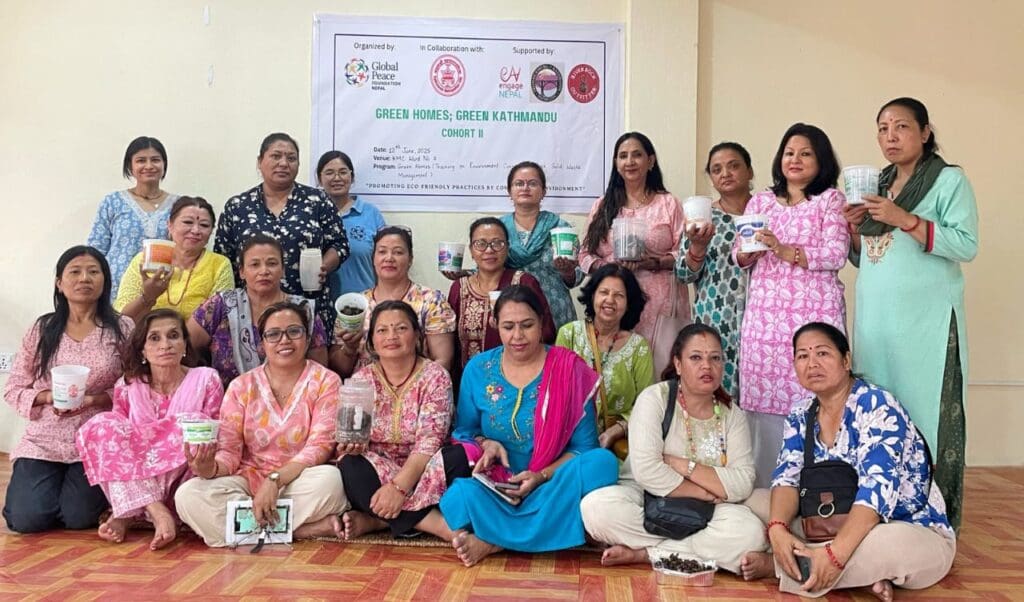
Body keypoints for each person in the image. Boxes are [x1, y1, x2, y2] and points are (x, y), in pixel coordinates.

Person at [740, 322, 955, 601]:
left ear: (846, 360)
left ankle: (782, 569)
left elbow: (875, 493)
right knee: (755, 500)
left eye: (822, 353)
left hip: (905, 527)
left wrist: (835, 556)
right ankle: (858, 576)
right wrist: (778, 530)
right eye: (802, 356)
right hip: (829, 522)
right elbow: (787, 477)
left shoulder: (878, 406)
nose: (812, 363)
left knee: (893, 546)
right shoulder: (801, 413)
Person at [844, 98, 978, 531]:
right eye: (882, 128)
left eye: (901, 126)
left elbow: (965, 244)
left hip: (927, 327)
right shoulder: (877, 184)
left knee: (927, 421)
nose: (890, 136)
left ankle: (935, 521)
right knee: (880, 417)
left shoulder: (947, 180)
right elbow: (872, 257)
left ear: (924, 132)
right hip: (878, 326)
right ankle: (878, 514)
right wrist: (854, 229)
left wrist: (906, 219)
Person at [437, 285, 619, 567]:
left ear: (543, 322)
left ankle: (495, 540)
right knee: (455, 499)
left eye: (527, 325)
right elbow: (463, 432)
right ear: (495, 324)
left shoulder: (568, 369)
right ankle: (543, 530)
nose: (518, 336)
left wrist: (541, 476)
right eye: (508, 327)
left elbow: (584, 449)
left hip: (551, 483)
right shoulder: (478, 369)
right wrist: (487, 444)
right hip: (499, 486)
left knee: (602, 464)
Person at [581, 324, 765, 573]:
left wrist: (682, 465)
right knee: (595, 507)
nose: (706, 366)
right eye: (696, 357)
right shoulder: (654, 399)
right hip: (648, 499)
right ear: (678, 364)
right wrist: (705, 492)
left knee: (751, 534)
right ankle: (688, 553)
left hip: (709, 512)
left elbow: (743, 482)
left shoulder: (733, 415)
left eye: (715, 358)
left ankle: (648, 554)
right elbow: (647, 472)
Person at [732, 123, 849, 488]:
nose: (795, 160)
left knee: (813, 394)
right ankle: (767, 493)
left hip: (814, 315)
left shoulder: (830, 200)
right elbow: (740, 254)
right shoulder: (761, 201)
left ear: (822, 161)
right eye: (789, 152)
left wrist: (785, 250)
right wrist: (749, 251)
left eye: (805, 153)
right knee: (764, 406)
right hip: (765, 320)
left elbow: (835, 254)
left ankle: (816, 494)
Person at [174, 301, 347, 547]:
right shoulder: (241, 386)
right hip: (248, 480)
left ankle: (244, 530)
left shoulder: (326, 381)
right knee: (188, 496)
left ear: (307, 338)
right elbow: (230, 450)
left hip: (298, 480)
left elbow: (320, 446)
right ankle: (300, 530)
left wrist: (275, 480)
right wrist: (209, 469)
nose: (284, 340)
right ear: (262, 343)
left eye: (294, 331)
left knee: (331, 481)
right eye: (274, 334)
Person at [3, 246, 132, 533]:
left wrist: (96, 399)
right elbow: (13, 387)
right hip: (43, 439)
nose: (84, 278)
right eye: (74, 272)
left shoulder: (122, 327)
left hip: (95, 438)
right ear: (59, 283)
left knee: (77, 518)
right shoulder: (43, 328)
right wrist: (48, 396)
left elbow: (132, 387)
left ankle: (70, 500)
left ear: (105, 281)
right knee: (26, 520)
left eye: (93, 272)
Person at [76, 309, 223, 550]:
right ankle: (155, 510)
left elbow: (215, 432)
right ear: (142, 350)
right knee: (102, 426)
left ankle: (132, 512)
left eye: (173, 335)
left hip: (185, 474)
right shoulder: (127, 385)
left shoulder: (206, 378)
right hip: (139, 469)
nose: (165, 344)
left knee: (195, 425)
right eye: (154, 338)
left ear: (185, 344)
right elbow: (117, 445)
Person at [336, 301, 470, 540]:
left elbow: (430, 442)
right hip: (379, 470)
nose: (392, 336)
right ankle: (441, 527)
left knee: (458, 459)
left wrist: (398, 489)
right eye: (382, 330)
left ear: (417, 336)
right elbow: (354, 436)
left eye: (401, 328)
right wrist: (352, 446)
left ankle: (380, 519)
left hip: (426, 469)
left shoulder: (435, 376)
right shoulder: (361, 379)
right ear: (371, 342)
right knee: (349, 464)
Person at [215, 133, 349, 332]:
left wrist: (323, 266)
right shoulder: (238, 206)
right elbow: (223, 259)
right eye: (276, 156)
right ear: (260, 162)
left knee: (310, 362)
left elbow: (340, 244)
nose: (284, 163)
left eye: (291, 158)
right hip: (251, 310)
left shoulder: (317, 200)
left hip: (309, 303)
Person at [579, 132, 688, 374]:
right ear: (616, 164)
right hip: (615, 305)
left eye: (637, 155)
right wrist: (608, 269)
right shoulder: (602, 205)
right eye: (623, 156)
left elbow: (686, 254)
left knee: (660, 374)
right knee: (617, 376)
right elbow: (584, 255)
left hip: (661, 308)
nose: (630, 161)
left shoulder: (669, 203)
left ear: (650, 161)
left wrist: (654, 262)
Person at [187, 233, 329, 385]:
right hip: (226, 402)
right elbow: (184, 345)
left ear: (283, 270)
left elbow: (319, 372)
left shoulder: (304, 310)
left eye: (272, 263)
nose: (264, 271)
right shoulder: (221, 305)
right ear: (241, 272)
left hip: (292, 402)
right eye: (255, 265)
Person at [677, 142, 755, 400]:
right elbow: (683, 274)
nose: (725, 173)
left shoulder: (768, 212)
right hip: (715, 316)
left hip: (761, 317)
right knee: (716, 390)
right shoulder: (702, 216)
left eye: (734, 166)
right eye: (717, 169)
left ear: (750, 171)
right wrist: (697, 248)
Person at [329, 226, 456, 378]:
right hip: (366, 392)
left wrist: (415, 390)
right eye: (382, 252)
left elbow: (443, 360)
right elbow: (338, 371)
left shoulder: (431, 301)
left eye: (398, 252)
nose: (389, 258)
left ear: (410, 259)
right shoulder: (354, 306)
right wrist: (349, 349)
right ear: (373, 259)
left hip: (418, 394)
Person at [555, 263, 653, 455]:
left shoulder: (638, 348)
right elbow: (556, 392)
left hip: (618, 446)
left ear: (629, 303)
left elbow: (648, 405)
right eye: (604, 292)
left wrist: (617, 430)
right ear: (593, 296)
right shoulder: (569, 334)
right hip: (570, 442)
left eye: (619, 295)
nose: (610, 300)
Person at [447, 217, 555, 371]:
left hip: (519, 377)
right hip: (470, 379)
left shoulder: (524, 282)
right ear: (471, 250)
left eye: (497, 243)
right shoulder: (459, 288)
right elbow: (449, 340)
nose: (489, 250)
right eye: (481, 244)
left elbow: (546, 331)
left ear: (507, 248)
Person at [87, 136, 180, 300]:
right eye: (141, 160)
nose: (149, 166)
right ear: (130, 165)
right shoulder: (113, 202)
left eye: (155, 160)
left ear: (164, 165)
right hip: (116, 288)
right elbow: (96, 249)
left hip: (163, 288)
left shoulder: (179, 205)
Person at [115, 196, 234, 321]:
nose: (195, 230)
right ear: (170, 225)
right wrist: (147, 297)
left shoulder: (220, 264)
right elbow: (121, 318)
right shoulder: (145, 259)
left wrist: (178, 339)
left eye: (204, 225)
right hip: (144, 338)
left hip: (198, 339)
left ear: (211, 232)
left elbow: (217, 319)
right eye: (188, 222)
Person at [316, 150, 386, 299]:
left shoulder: (371, 213)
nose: (337, 178)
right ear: (319, 179)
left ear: (352, 176)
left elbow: (384, 261)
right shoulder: (311, 215)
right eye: (329, 173)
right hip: (321, 305)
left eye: (343, 172)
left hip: (363, 304)